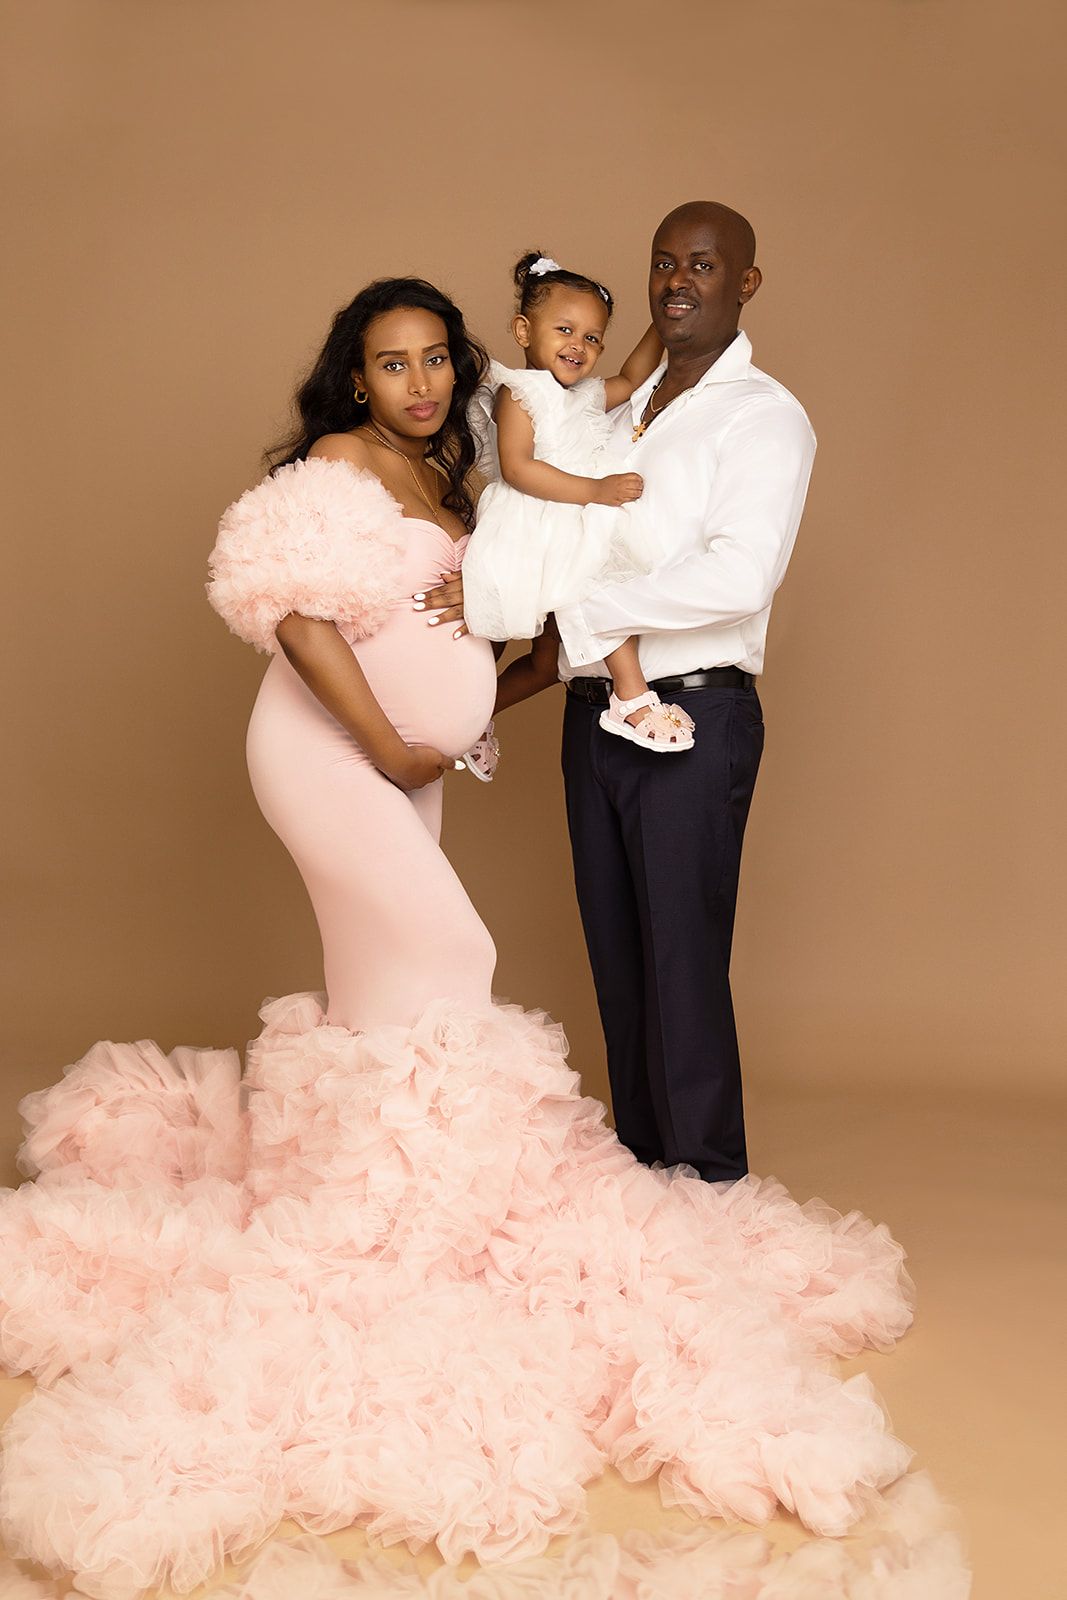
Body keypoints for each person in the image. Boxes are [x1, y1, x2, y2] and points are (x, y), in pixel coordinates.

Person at [0, 277, 910, 1600]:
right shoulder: (338, 463)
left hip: (419, 758)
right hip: (330, 755)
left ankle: (378, 1212)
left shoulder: (465, 485)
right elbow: (297, 613)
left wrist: (500, 688)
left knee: (385, 1000)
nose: (418, 385)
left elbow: (492, 640)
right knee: (452, 967)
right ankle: (374, 1237)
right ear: (352, 378)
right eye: (389, 364)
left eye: (435, 361)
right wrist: (382, 742)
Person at [552, 200, 818, 1185]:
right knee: (620, 976)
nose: (676, 282)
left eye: (702, 266)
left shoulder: (763, 418)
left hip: (693, 715)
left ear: (743, 284)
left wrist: (591, 604)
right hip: (594, 716)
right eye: (664, 263)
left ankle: (709, 1195)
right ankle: (643, 1199)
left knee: (679, 973)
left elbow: (739, 576)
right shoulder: (620, 405)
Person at [462, 252, 694, 761]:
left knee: (547, 664)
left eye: (592, 338)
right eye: (565, 329)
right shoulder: (519, 394)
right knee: (500, 632)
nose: (579, 346)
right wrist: (595, 491)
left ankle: (471, 717)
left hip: (567, 521)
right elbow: (518, 467)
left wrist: (661, 322)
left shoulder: (586, 395)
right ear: (524, 331)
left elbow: (632, 378)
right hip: (529, 525)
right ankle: (631, 696)